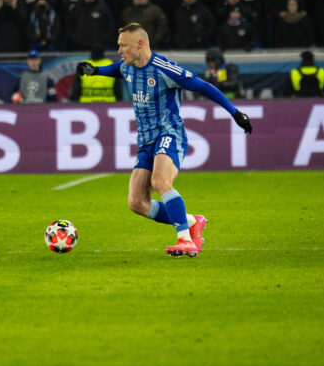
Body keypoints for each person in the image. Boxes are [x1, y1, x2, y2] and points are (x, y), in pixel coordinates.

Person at [75, 23, 252, 257]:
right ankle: (191, 221)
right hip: (146, 141)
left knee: (160, 181)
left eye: (123, 46)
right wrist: (95, 71)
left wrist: (235, 113)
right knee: (137, 202)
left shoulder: (164, 69)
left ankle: (185, 239)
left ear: (140, 44)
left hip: (170, 133)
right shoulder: (128, 67)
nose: (119, 51)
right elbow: (116, 69)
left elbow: (204, 87)